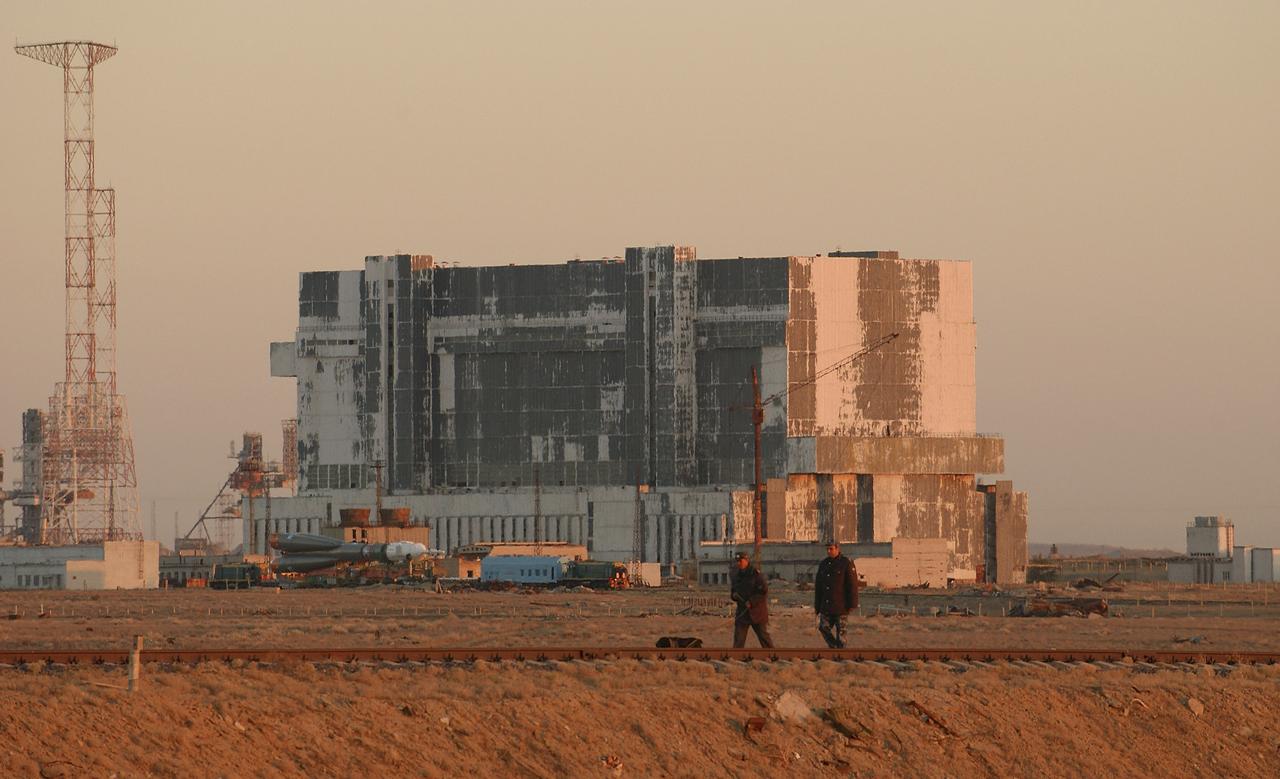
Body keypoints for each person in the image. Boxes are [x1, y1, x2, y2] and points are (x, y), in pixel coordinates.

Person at [813, 542, 858, 648]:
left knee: (841, 634)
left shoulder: (846, 563)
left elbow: (852, 585)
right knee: (823, 627)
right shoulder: (824, 564)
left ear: (837, 549)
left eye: (831, 549)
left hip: (841, 605)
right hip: (826, 606)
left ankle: (840, 654)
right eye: (827, 549)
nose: (829, 551)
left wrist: (852, 604)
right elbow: (819, 587)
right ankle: (833, 647)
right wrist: (817, 607)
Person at [730, 552, 774, 648]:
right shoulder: (736, 575)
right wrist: (734, 596)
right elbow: (733, 591)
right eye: (737, 561)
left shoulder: (755, 574)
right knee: (738, 640)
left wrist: (752, 601)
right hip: (742, 613)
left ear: (746, 561)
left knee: (764, 637)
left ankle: (773, 655)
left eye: (740, 561)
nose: (738, 563)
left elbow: (763, 592)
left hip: (757, 612)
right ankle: (736, 658)